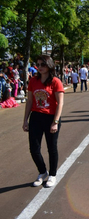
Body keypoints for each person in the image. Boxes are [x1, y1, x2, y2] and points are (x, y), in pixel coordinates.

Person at [22, 55, 64, 188]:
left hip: (51, 117)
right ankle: (42, 172)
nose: (39, 67)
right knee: (34, 149)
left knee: (52, 148)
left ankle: (52, 175)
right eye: (38, 64)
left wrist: (55, 122)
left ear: (49, 65)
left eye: (43, 64)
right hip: (36, 117)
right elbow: (29, 101)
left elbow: (60, 103)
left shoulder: (55, 81)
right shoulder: (33, 81)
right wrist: (25, 120)